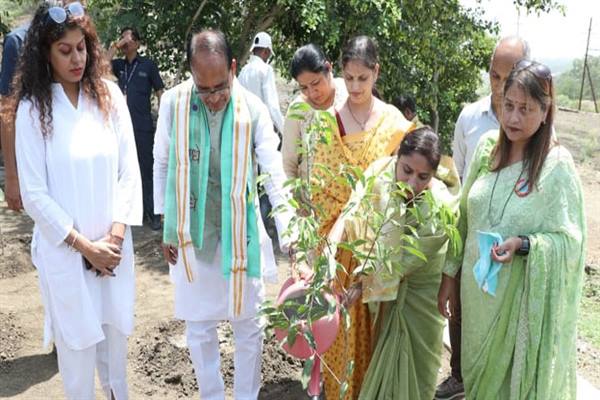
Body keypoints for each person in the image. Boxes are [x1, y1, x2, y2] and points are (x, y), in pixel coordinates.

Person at [10, 2, 142, 399]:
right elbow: (34, 194)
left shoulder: (110, 97)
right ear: (45, 55)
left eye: (81, 47)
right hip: (67, 255)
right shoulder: (33, 111)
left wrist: (113, 242)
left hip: (114, 254)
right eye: (64, 50)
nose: (76, 58)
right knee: (77, 361)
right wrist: (85, 247)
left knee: (115, 359)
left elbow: (129, 172)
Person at [153, 29, 294, 400]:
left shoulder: (254, 108)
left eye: (221, 87)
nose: (213, 98)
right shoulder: (174, 103)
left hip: (239, 232)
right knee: (199, 328)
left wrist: (289, 230)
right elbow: (163, 162)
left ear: (233, 68)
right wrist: (166, 224)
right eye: (205, 89)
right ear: (191, 74)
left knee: (248, 326)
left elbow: (273, 170)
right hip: (192, 231)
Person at [438, 60, 586, 399]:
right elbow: (463, 215)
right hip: (476, 299)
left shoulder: (556, 166)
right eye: (508, 106)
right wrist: (449, 275)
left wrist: (524, 245)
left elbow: (570, 243)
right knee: (477, 380)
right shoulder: (487, 149)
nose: (514, 118)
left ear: (546, 111)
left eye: (526, 109)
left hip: (517, 308)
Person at [298, 35, 413, 400]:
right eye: (349, 78)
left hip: (380, 256)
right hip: (339, 254)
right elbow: (321, 192)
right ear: (340, 73)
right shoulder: (326, 124)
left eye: (363, 78)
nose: (356, 87)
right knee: (339, 343)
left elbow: (407, 187)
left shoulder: (394, 124)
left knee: (377, 343)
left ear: (376, 72)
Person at [329, 127, 460, 400]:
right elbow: (355, 212)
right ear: (397, 158)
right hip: (384, 299)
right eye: (406, 170)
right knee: (380, 369)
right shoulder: (379, 175)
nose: (412, 183)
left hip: (421, 302)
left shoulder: (440, 207)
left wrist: (362, 284)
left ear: (434, 175)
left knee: (419, 374)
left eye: (423, 177)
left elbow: (400, 264)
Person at [436, 35, 530, 400]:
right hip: (472, 239)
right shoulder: (470, 118)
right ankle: (460, 376)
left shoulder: (538, 128)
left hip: (511, 256)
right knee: (460, 315)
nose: (499, 86)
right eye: (494, 76)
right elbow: (460, 181)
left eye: (509, 78)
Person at [1, 0, 85, 212]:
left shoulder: (79, 33)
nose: (76, 57)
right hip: (35, 157)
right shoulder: (18, 41)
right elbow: (7, 111)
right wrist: (12, 175)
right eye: (65, 51)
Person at [107, 26, 164, 230]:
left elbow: (160, 91)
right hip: (119, 129)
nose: (126, 42)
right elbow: (100, 67)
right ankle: (131, 214)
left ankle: (154, 213)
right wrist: (116, 45)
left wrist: (164, 120)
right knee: (122, 170)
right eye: (123, 38)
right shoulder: (118, 65)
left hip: (142, 127)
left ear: (138, 44)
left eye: (129, 38)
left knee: (147, 169)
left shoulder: (147, 65)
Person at [281, 43, 348, 180]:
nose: (311, 93)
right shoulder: (298, 111)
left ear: (329, 68)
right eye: (304, 87)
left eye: (316, 83)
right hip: (309, 199)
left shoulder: (349, 95)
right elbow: (288, 165)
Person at [238, 31, 284, 135]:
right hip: (261, 129)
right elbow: (272, 106)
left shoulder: (244, 70)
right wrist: (284, 131)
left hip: (244, 128)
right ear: (266, 51)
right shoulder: (266, 70)